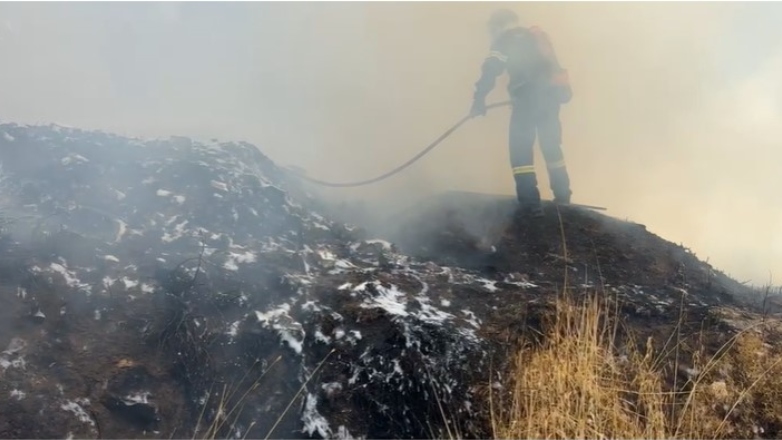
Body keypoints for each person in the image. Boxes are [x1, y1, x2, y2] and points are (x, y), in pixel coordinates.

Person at [470, 8, 573, 217]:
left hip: (528, 102)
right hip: (551, 100)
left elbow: (491, 69)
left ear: (498, 26)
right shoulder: (537, 37)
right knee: (552, 147)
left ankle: (530, 205)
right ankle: (563, 198)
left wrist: (479, 98)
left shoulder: (505, 40)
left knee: (520, 153)